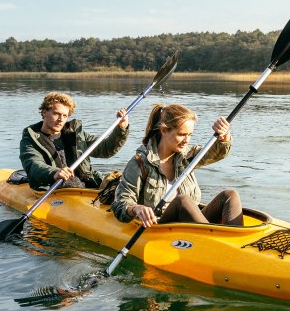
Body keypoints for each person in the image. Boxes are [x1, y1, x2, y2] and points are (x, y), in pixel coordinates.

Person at [111, 103, 242, 227]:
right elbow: (121, 203)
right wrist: (136, 208)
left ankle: (235, 242)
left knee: (229, 195)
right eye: (182, 134)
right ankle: (213, 241)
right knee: (182, 201)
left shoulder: (188, 155)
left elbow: (217, 153)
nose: (187, 140)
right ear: (164, 130)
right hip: (160, 226)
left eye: (190, 135)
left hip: (191, 221)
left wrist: (224, 137)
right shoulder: (139, 163)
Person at [19, 91, 129, 190]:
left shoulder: (76, 134)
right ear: (44, 112)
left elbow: (106, 148)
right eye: (56, 113)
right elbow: (33, 165)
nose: (61, 119)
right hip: (56, 189)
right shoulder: (31, 139)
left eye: (65, 115)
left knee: (120, 181)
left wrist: (121, 128)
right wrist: (54, 173)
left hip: (87, 186)